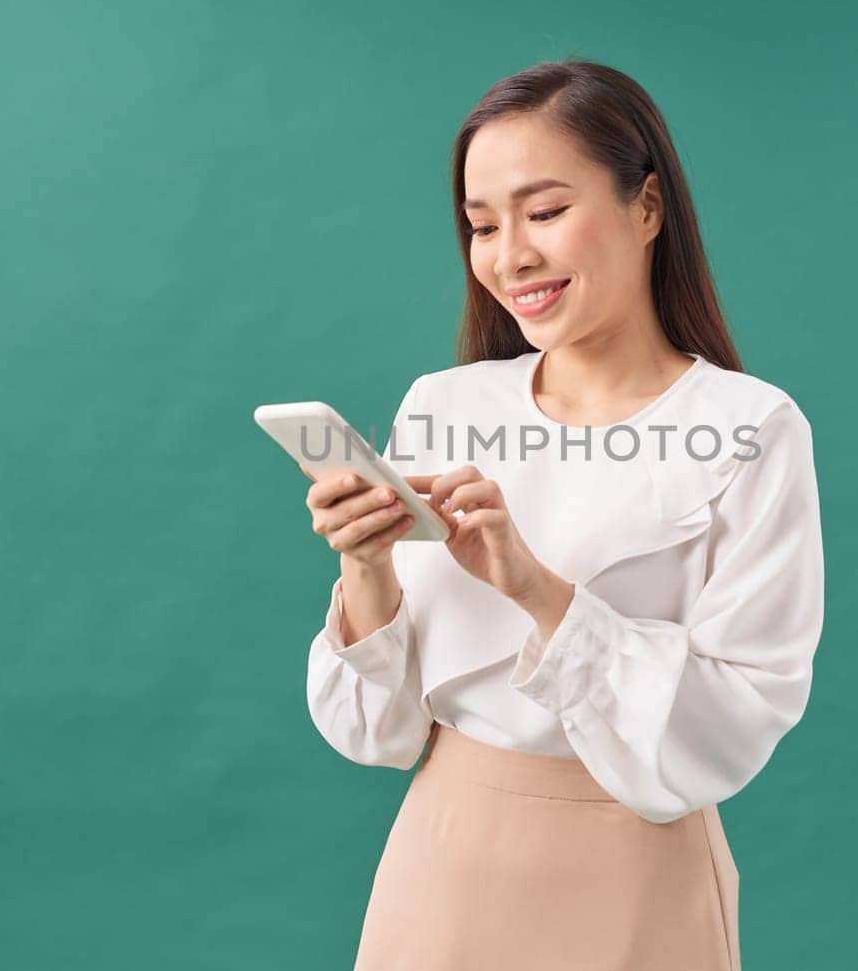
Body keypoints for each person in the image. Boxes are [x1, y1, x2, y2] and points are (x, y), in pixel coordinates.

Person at [300, 59, 825, 971]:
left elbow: (738, 719)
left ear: (649, 207)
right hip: (442, 862)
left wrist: (538, 588)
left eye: (544, 212)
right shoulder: (446, 402)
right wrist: (367, 567)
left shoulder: (748, 428)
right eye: (481, 225)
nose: (511, 256)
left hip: (636, 874)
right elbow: (379, 736)